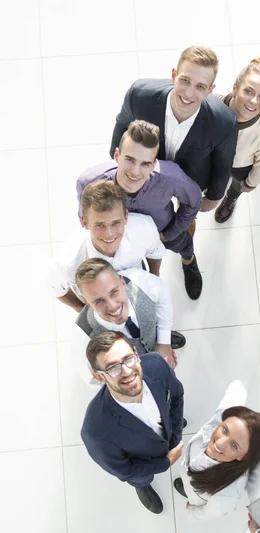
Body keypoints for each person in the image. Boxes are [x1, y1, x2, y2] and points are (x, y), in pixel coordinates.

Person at [78, 120, 204, 300]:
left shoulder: (170, 178)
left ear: (153, 164)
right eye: (129, 160)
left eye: (145, 164)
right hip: (116, 239)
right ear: (117, 155)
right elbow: (85, 217)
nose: (135, 172)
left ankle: (188, 261)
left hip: (163, 231)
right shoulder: (90, 182)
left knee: (183, 245)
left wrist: (170, 233)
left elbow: (194, 200)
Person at [110, 45, 238, 213]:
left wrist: (214, 197)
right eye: (185, 80)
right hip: (147, 167)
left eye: (200, 86)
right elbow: (122, 124)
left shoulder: (224, 122)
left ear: (210, 90)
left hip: (191, 177)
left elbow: (223, 165)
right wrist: (116, 157)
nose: (189, 94)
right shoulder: (139, 96)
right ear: (174, 75)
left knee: (185, 213)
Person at [80, 332, 184, 514]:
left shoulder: (156, 364)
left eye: (128, 359)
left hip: (167, 431)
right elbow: (125, 470)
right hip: (142, 464)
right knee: (140, 478)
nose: (127, 371)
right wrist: (165, 463)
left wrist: (175, 438)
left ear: (136, 354)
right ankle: (142, 486)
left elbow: (176, 396)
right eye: (113, 368)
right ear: (99, 377)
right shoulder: (96, 432)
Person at [50, 180, 165, 312]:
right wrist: (83, 310)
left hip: (138, 289)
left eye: (116, 223)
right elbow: (56, 288)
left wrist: (154, 281)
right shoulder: (66, 261)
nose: (109, 234)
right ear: (85, 222)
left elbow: (155, 252)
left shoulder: (144, 229)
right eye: (99, 225)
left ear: (126, 217)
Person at [72, 258, 185, 387]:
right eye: (99, 301)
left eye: (114, 292)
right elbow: (94, 381)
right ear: (88, 303)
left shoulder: (138, 281)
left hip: (154, 338)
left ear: (123, 283)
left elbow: (162, 293)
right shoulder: (83, 338)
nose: (112, 306)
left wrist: (164, 341)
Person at [172, 380, 260, 520]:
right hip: (191, 474)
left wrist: (192, 510)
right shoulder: (220, 421)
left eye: (234, 445)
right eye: (225, 430)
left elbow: (207, 513)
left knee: (192, 491)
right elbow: (236, 390)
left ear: (243, 456)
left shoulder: (226, 495)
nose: (219, 443)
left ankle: (188, 490)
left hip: (199, 496)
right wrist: (241, 384)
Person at [214, 59, 260, 223]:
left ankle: (231, 197)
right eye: (249, 91)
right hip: (213, 155)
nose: (254, 101)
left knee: (237, 183)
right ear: (235, 87)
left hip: (240, 165)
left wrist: (250, 183)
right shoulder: (214, 101)